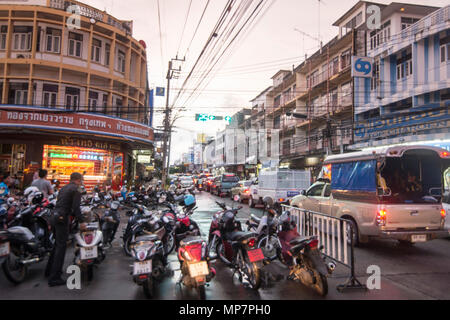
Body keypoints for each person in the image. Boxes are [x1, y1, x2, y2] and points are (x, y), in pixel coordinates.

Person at [45, 172, 86, 287]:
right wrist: (82, 221)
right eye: (81, 180)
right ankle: (54, 278)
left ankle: (49, 272)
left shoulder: (64, 188)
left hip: (54, 216)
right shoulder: (76, 189)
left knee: (57, 245)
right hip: (62, 219)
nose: (82, 182)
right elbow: (76, 208)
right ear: (78, 179)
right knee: (61, 247)